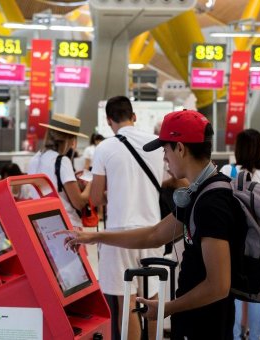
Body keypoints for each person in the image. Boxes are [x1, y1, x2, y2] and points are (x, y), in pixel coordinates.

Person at [64, 109, 245, 339]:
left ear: (180, 148)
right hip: (193, 321)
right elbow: (155, 235)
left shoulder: (212, 202)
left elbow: (218, 285)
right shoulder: (198, 193)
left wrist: (168, 308)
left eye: (165, 149)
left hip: (206, 326)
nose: (164, 158)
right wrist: (94, 237)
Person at [86, 96, 165, 339]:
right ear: (134, 116)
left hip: (118, 236)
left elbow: (96, 197)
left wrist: (115, 193)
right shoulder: (155, 143)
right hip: (153, 230)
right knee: (152, 299)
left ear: (109, 121)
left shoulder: (105, 147)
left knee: (127, 302)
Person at [220, 129, 260, 340]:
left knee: (234, 291)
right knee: (257, 294)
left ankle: (235, 335)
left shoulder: (229, 171)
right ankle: (255, 337)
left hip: (235, 240)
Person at [26, 114, 91, 229]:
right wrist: (91, 183)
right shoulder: (62, 161)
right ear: (70, 140)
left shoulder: (34, 159)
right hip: (65, 224)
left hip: (40, 224)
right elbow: (79, 203)